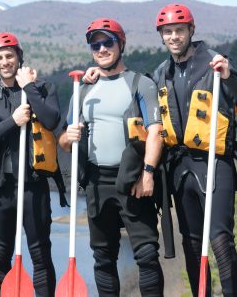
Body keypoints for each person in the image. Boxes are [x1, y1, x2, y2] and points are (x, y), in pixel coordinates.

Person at [152, 4, 237, 296]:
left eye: (179, 30)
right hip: (179, 166)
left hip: (214, 163)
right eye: (168, 31)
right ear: (162, 36)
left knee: (221, 239)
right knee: (192, 243)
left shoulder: (215, 62)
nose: (174, 36)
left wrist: (227, 77)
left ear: (191, 31)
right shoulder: (162, 72)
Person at [58, 18, 165, 296]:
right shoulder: (82, 90)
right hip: (96, 182)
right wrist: (67, 138)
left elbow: (156, 132)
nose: (102, 49)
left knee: (146, 255)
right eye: (96, 45)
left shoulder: (140, 84)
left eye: (108, 42)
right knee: (103, 258)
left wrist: (148, 173)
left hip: (132, 179)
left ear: (121, 44)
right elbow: (63, 142)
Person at [0, 32, 63, 297]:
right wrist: (13, 121)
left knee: (40, 253)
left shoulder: (42, 88)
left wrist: (29, 89)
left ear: (19, 58)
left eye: (9, 56)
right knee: (0, 256)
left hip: (33, 186)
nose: (4, 61)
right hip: (0, 190)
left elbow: (52, 120)